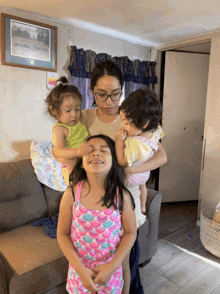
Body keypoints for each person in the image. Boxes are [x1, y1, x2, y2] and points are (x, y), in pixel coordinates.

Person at [53, 60, 167, 294]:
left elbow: (161, 155)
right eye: (101, 95)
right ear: (91, 91)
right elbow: (59, 148)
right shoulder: (82, 117)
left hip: (124, 203)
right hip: (93, 205)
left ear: (122, 90)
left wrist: (132, 170)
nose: (109, 102)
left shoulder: (133, 115)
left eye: (115, 94)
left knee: (128, 269)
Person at [57, 135, 137, 294]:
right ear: (81, 159)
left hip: (110, 272)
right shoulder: (71, 194)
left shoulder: (122, 197)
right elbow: (62, 233)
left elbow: (130, 232)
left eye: (103, 150)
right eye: (90, 150)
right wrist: (81, 270)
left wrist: (112, 266)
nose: (96, 153)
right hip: (79, 274)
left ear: (114, 160)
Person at [115, 88, 164, 217]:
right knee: (143, 187)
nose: (122, 125)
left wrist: (119, 141)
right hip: (144, 174)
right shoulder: (154, 131)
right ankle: (142, 206)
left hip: (131, 177)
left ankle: (133, 209)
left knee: (123, 192)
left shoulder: (135, 144)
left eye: (126, 122)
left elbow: (122, 161)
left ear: (143, 124)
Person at [45, 76, 91, 184]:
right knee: (78, 191)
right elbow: (59, 150)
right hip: (72, 170)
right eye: (68, 110)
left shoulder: (79, 122)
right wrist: (78, 151)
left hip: (84, 164)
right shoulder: (60, 129)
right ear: (54, 110)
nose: (74, 115)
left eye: (77, 109)